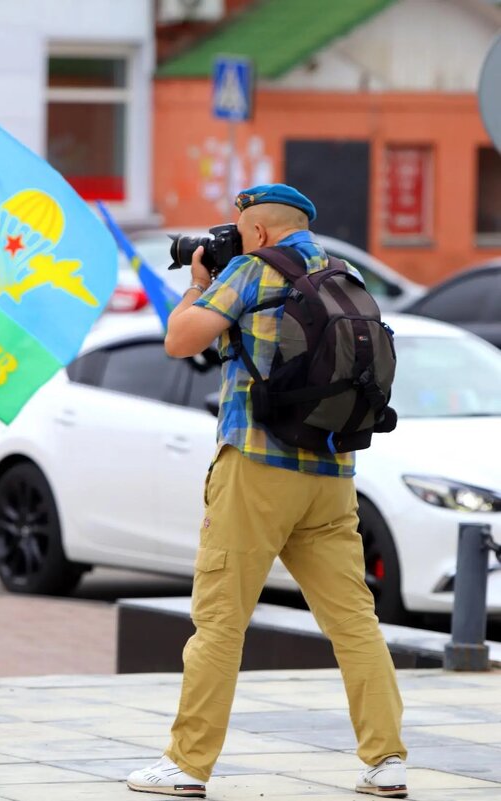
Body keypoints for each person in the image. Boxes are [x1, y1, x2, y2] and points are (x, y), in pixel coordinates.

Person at [127, 183, 408, 799]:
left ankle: (187, 766)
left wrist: (199, 281)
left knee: (220, 621)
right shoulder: (346, 272)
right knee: (355, 620)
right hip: (332, 476)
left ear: (255, 231)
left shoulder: (253, 271)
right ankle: (386, 761)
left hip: (256, 467)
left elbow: (180, 340)